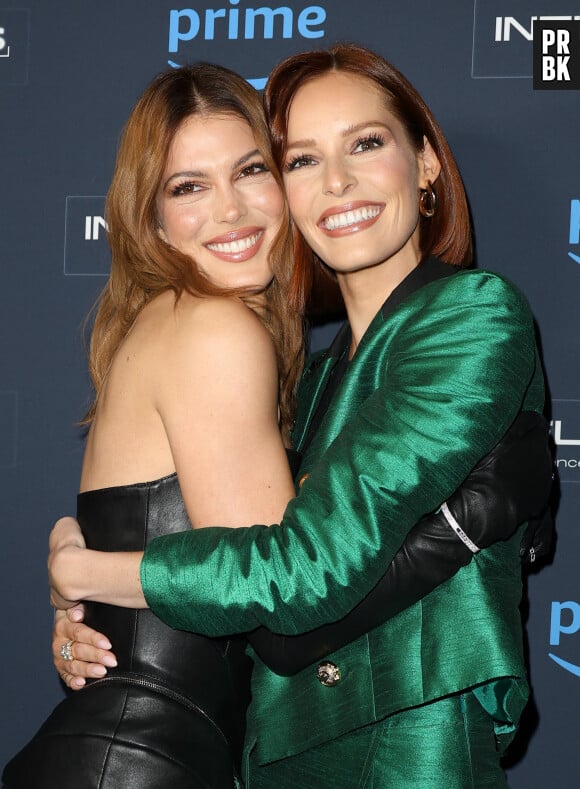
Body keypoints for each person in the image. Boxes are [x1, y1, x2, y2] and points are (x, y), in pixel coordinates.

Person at [9, 48, 551, 788]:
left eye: (366, 143)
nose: (337, 182)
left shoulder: (464, 314)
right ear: (154, 223)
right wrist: (467, 520)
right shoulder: (262, 352)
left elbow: (279, 592)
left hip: (398, 749)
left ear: (426, 163)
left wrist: (96, 579)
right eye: (301, 159)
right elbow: (286, 599)